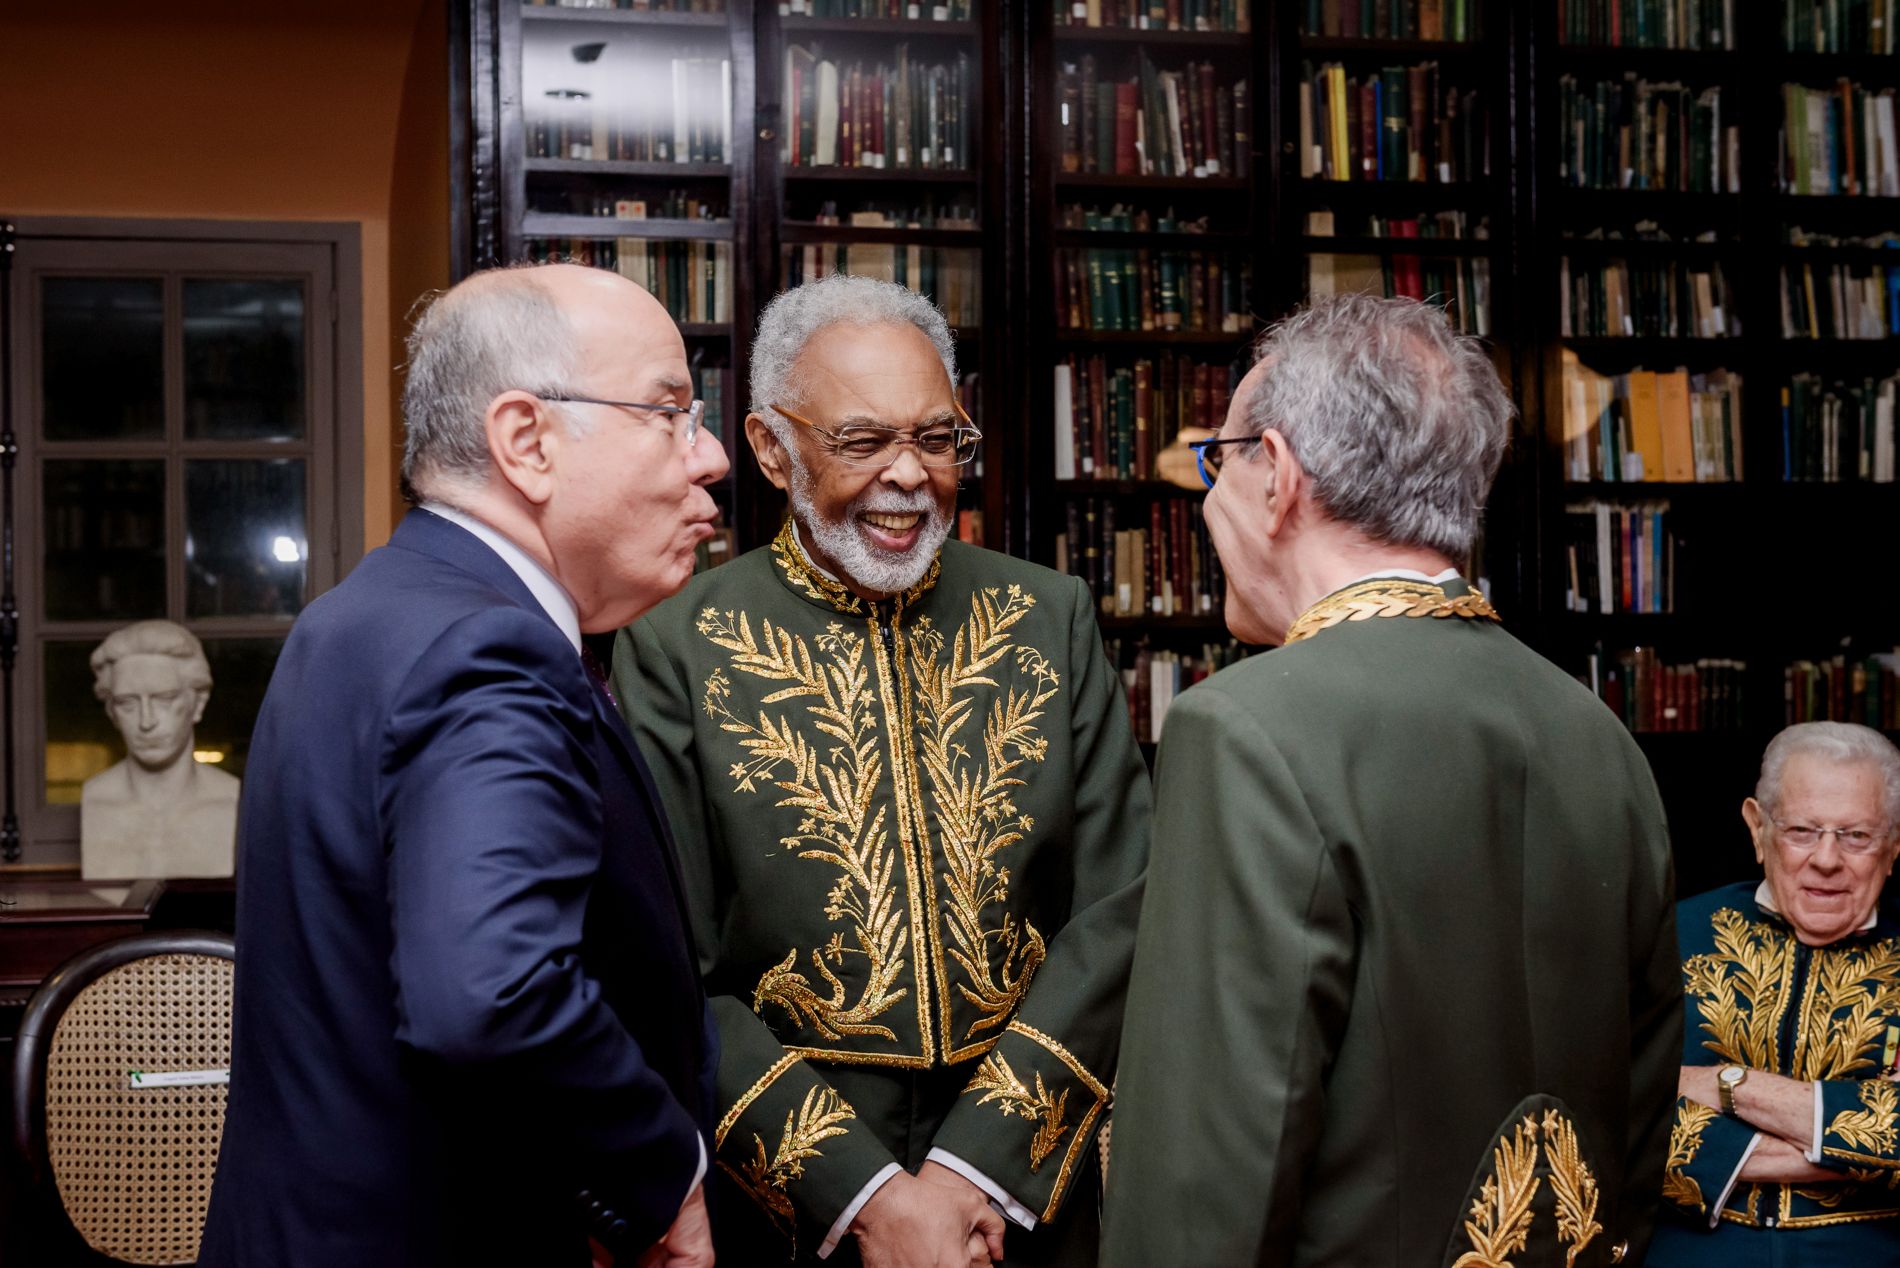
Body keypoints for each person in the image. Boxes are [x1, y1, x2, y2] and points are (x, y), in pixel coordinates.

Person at [1099, 293, 1681, 1267]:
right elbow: (1638, 1114)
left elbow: (1201, 1188)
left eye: (1219, 460)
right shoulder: (1594, 731)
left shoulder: (1244, 727)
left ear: (1276, 473)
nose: (1207, 499)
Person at [613, 275, 1150, 1267]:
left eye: (938, 438)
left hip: (1017, 1201)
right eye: (862, 441)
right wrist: (862, 1194)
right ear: (772, 447)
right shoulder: (674, 645)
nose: (910, 475)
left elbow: (1121, 909)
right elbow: (664, 966)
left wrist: (971, 1170)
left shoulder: (1050, 616)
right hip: (789, 1210)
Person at [199, 263, 729, 1268]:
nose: (706, 456)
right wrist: (662, 1176)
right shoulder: (488, 649)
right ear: (526, 440)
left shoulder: (358, 613)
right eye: (667, 412)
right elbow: (489, 994)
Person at [1654, 721, 1900, 1266]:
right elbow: (1613, 1109)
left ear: (1894, 843)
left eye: (1857, 835)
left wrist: (1727, 1086)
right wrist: (1843, 1144)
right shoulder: (1671, 937)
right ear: (1757, 828)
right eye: (1801, 831)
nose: (1828, 860)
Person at [79, 619, 240, 880]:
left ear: (198, 703)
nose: (146, 721)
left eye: (165, 699)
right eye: (127, 703)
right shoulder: (96, 799)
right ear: (111, 712)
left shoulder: (229, 799)